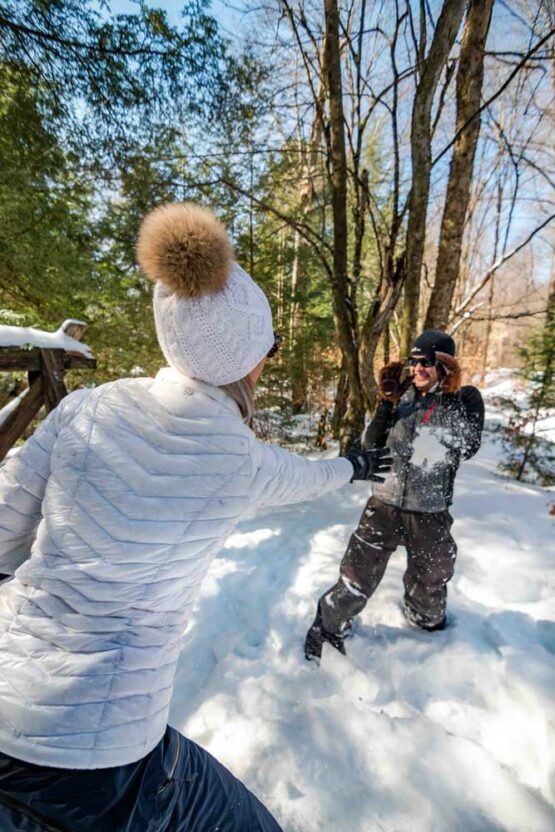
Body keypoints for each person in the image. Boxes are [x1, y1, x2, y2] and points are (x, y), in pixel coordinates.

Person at [0, 203, 392, 832]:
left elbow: (2, 533)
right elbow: (305, 476)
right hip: (107, 763)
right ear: (246, 358)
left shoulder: (89, 410)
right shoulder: (238, 460)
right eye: (266, 348)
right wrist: (351, 464)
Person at [305, 329, 485, 663]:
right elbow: (371, 443)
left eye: (427, 362)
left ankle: (425, 626)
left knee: (431, 579)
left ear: (445, 364)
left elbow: (467, 444)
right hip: (384, 505)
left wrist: (447, 395)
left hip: (430, 511)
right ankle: (328, 629)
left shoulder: (464, 400)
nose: (418, 369)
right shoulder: (401, 399)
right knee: (355, 575)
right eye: (414, 361)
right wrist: (385, 404)